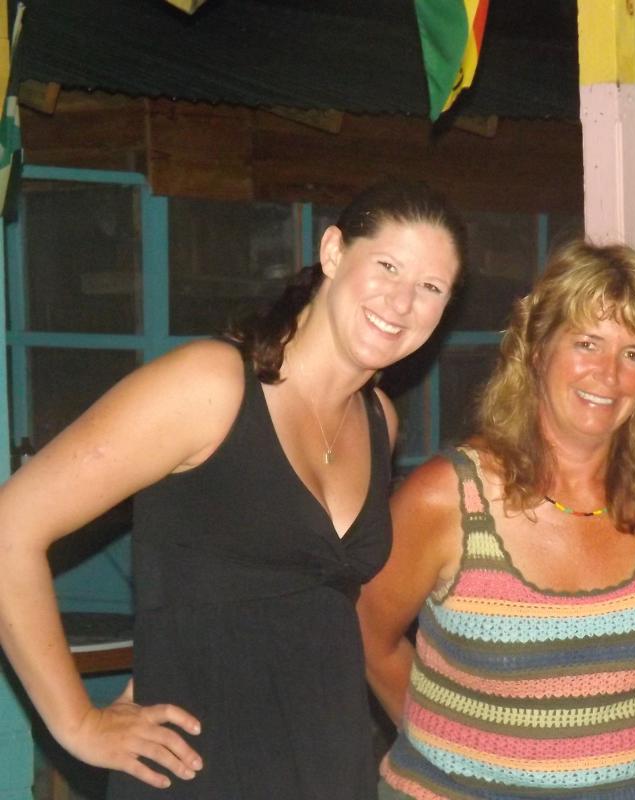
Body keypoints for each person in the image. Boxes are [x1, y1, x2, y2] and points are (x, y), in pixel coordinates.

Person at [0, 179, 465, 798]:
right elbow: (10, 529)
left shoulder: (379, 420)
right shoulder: (211, 386)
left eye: (431, 288)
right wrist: (77, 723)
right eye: (387, 266)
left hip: (329, 767)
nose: (402, 302)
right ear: (333, 252)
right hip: (201, 772)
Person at [358, 240, 635, 799]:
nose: (609, 374)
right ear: (536, 347)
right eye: (587, 343)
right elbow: (367, 635)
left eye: (634, 354)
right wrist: (451, 755)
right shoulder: (447, 498)